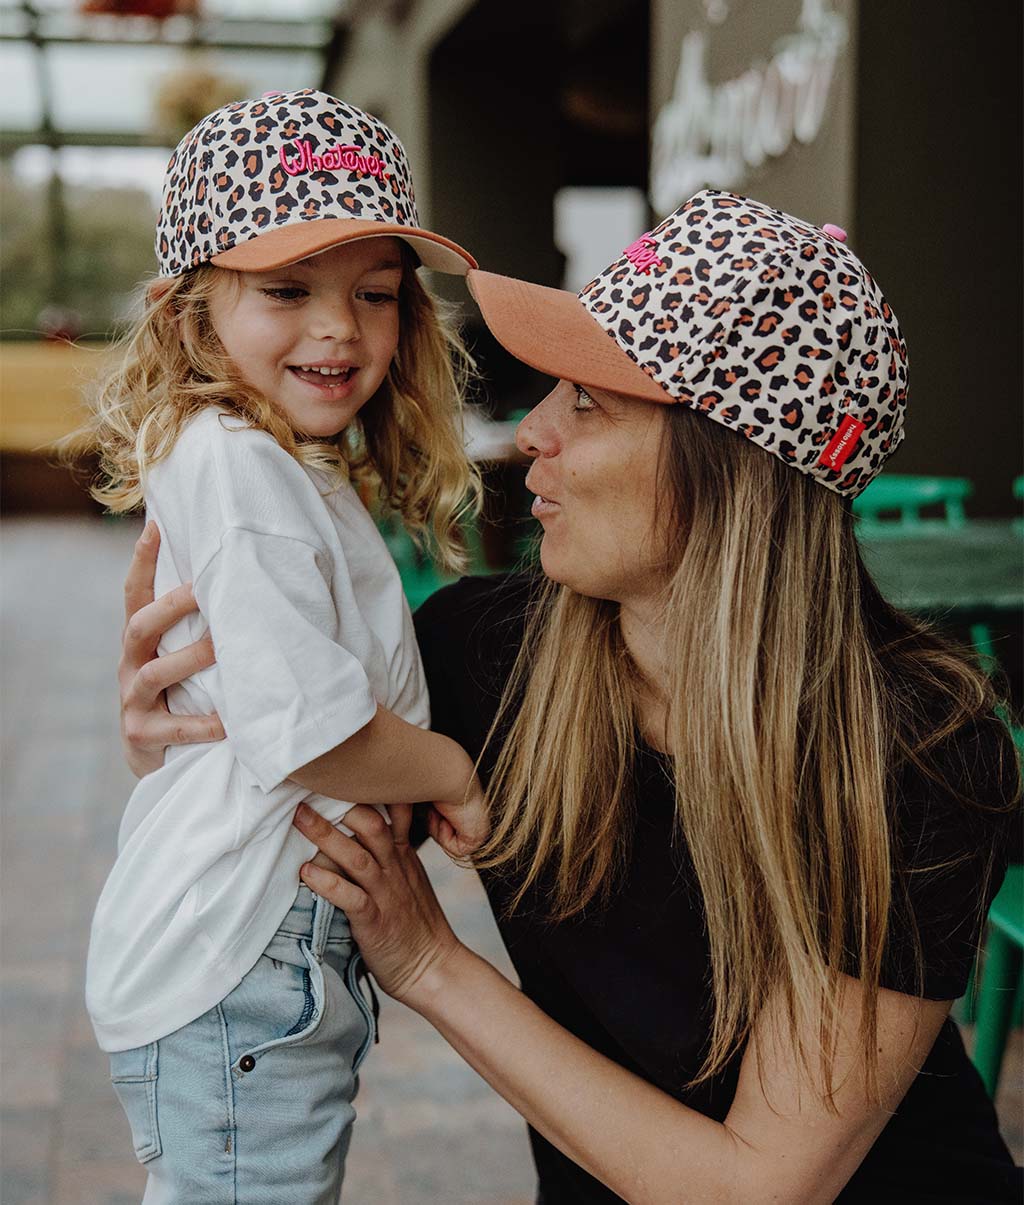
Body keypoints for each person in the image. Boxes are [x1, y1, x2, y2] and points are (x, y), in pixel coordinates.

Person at [118, 191, 1022, 1202]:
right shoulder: (484, 655)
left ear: (732, 468)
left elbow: (757, 1189)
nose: (533, 432)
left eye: (589, 399)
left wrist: (429, 964)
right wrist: (179, 732)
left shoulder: (918, 752)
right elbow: (292, 787)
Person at [78, 89, 489, 1203]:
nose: (337, 328)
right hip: (249, 952)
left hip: (260, 945)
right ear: (194, 312)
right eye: (286, 289)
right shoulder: (239, 467)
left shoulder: (264, 461)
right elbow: (310, 732)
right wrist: (452, 771)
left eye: (374, 293)